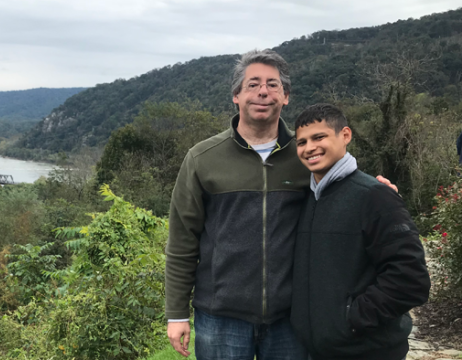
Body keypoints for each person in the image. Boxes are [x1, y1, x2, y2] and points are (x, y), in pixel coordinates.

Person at [165, 49, 398, 360]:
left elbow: (348, 188)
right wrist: (176, 313)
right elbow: (182, 240)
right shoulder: (202, 158)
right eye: (253, 84)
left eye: (273, 84)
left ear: (286, 96)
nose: (263, 91)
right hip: (220, 317)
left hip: (293, 316)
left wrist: (378, 193)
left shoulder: (307, 153)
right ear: (236, 95)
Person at [290, 103, 430, 360]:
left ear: (345, 135)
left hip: (367, 351)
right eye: (301, 142)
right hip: (316, 351)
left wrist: (352, 319)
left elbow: (411, 280)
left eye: (319, 137)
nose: (309, 147)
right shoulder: (306, 200)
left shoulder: (375, 196)